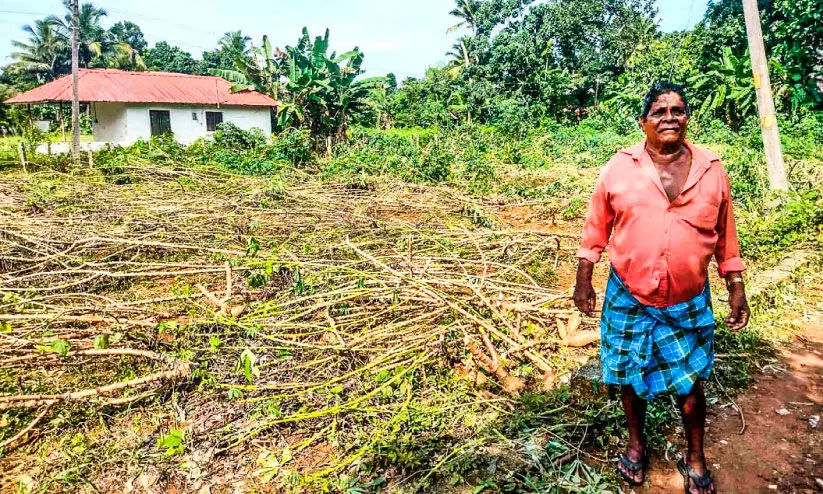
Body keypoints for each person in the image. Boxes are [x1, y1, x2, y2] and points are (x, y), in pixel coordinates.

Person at [572, 82, 750, 494]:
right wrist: (584, 277)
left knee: (690, 382)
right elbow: (596, 225)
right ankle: (636, 446)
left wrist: (735, 283)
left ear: (687, 118)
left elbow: (726, 234)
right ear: (643, 122)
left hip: (687, 301)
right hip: (629, 294)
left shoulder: (712, 169)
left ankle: (696, 457)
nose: (669, 117)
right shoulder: (620, 167)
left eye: (677, 110)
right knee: (631, 377)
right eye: (659, 111)